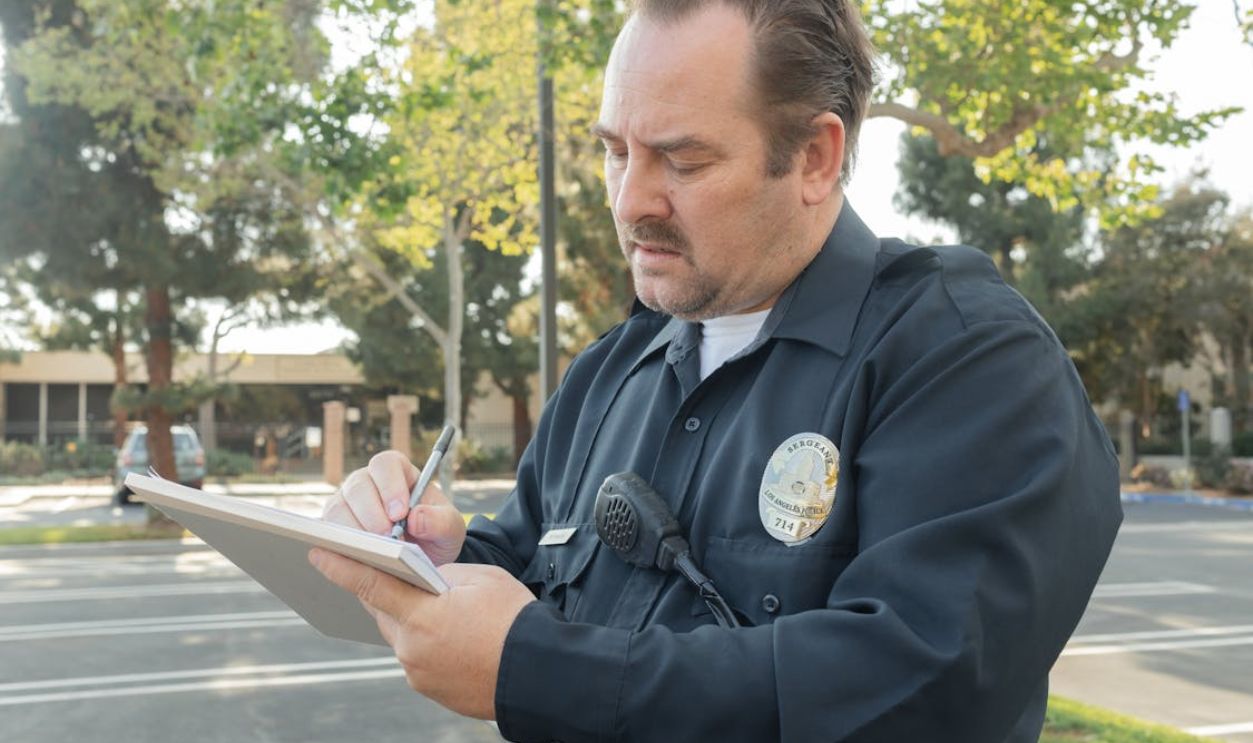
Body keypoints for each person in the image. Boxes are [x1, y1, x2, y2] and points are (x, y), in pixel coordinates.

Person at [313, 0, 1123, 740]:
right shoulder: (609, 371)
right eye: (613, 151)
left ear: (813, 155)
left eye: (682, 161)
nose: (631, 201)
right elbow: (532, 572)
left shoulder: (963, 357)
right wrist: (424, 551)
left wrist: (540, 669)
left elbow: (919, 685)